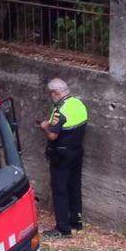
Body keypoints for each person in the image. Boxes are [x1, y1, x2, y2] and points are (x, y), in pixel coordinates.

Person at [38, 78, 88, 237]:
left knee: (60, 190)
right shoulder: (79, 104)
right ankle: (76, 221)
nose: (51, 96)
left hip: (61, 155)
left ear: (56, 93)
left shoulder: (61, 111)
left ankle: (63, 229)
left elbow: (53, 135)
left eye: (51, 93)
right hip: (77, 152)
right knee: (75, 186)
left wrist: (45, 127)